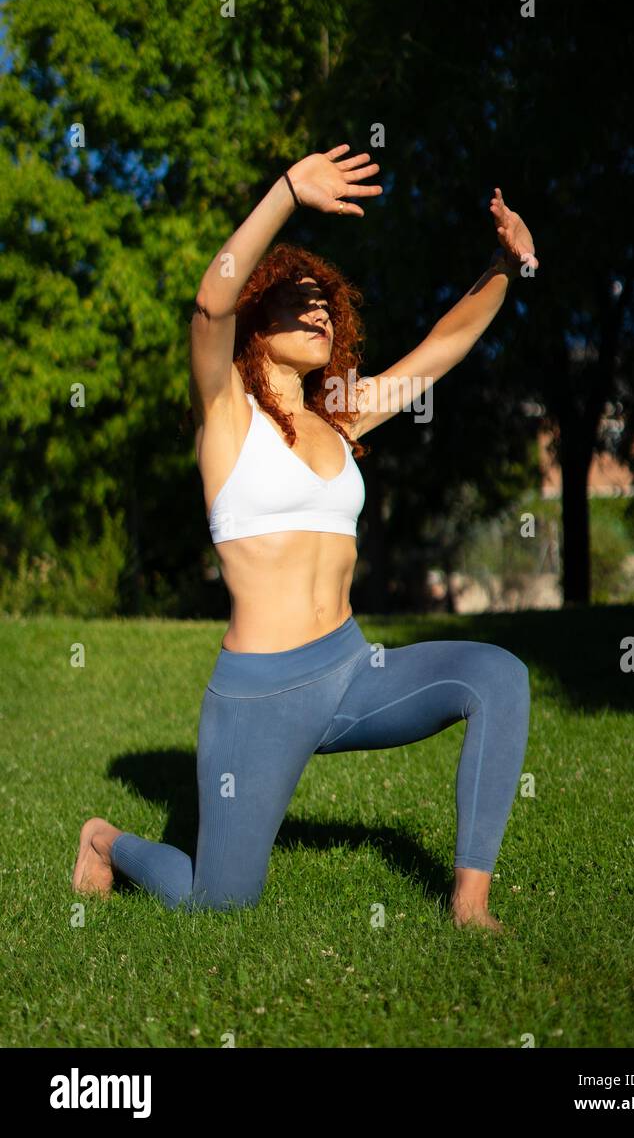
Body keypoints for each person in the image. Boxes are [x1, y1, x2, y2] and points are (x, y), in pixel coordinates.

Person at [72, 143, 537, 932]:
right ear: (260, 315)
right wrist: (288, 191)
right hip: (258, 699)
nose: (320, 310)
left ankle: (469, 906)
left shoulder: (340, 418)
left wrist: (504, 262)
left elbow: (440, 349)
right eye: (300, 298)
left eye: (329, 303)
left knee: (496, 675)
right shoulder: (224, 415)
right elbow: (208, 305)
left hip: (355, 672)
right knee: (217, 904)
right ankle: (109, 842)